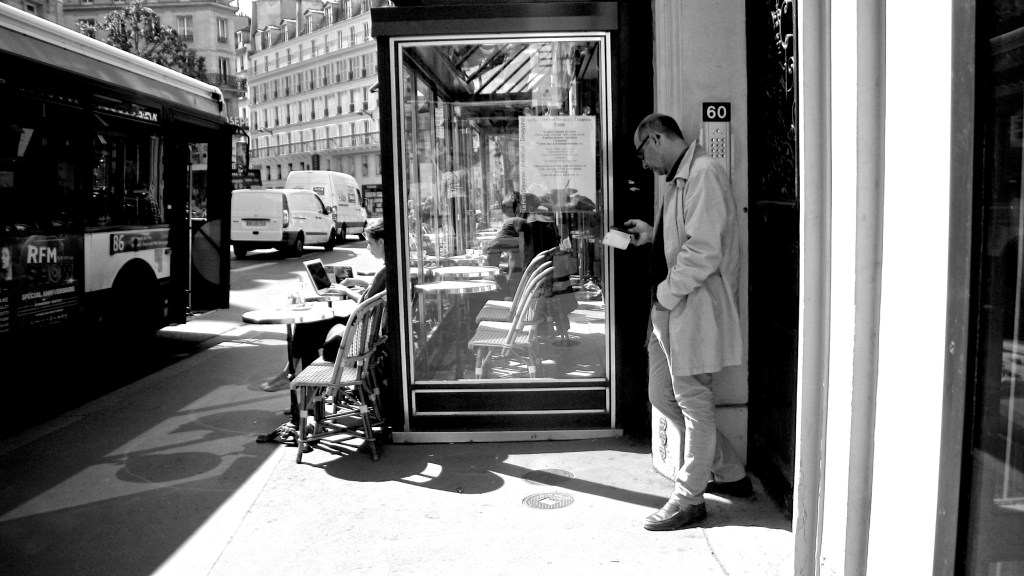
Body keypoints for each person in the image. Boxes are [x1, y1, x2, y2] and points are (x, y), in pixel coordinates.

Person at [625, 113, 751, 532]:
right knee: (663, 395)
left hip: (688, 309)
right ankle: (729, 472)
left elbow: (703, 251)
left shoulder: (703, 173)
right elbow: (683, 240)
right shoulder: (684, 175)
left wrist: (664, 295)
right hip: (673, 310)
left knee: (694, 403)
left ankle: (689, 498)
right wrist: (652, 234)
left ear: (656, 138)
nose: (645, 165)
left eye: (644, 153)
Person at [260, 218, 388, 392]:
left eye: (369, 243)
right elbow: (374, 294)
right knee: (308, 327)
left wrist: (345, 290)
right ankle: (291, 375)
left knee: (307, 328)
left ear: (381, 242)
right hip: (368, 333)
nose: (367, 248)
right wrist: (362, 282)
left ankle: (298, 383)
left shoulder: (384, 270)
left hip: (360, 339)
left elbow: (364, 302)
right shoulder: (389, 267)